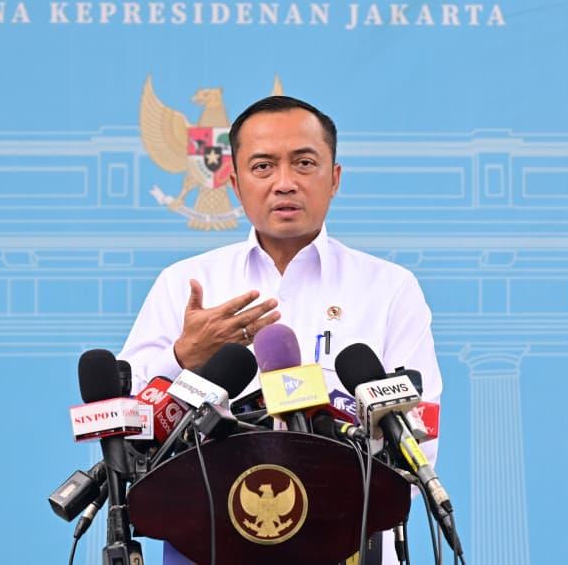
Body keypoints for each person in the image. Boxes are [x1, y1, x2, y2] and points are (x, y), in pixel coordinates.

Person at [119, 96, 442, 564]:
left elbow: (420, 438)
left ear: (334, 178)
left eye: (304, 163)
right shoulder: (185, 284)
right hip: (208, 543)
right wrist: (182, 358)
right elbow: (128, 429)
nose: (284, 182)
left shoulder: (389, 288)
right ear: (235, 183)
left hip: (351, 544)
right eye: (263, 166)